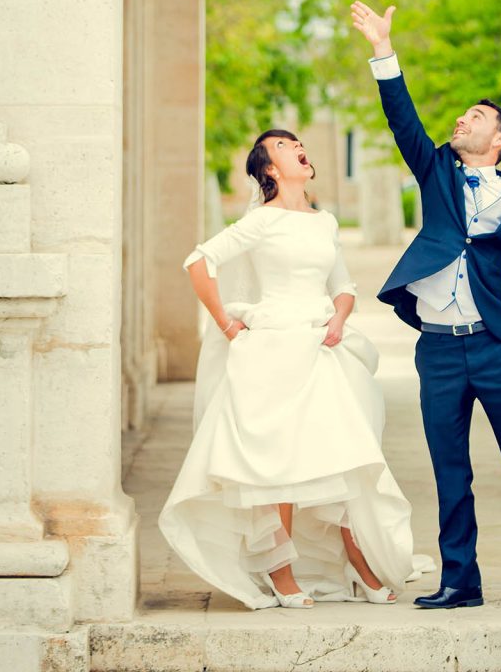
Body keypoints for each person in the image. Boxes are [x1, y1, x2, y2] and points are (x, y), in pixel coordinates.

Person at [351, 1, 501, 612]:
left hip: (498, 347)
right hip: (440, 349)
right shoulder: (437, 173)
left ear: (497, 138)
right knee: (451, 469)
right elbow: (403, 119)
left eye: (474, 116)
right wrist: (382, 50)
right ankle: (460, 580)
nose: (461, 119)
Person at [159, 129, 417, 610]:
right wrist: (227, 324)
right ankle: (281, 573)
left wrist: (339, 319)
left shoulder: (325, 223)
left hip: (320, 346)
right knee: (277, 463)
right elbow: (199, 262)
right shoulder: (262, 221)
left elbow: (343, 285)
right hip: (273, 347)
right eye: (281, 146)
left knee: (340, 456)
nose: (297, 146)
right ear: (270, 170)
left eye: (297, 142)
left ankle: (360, 567)